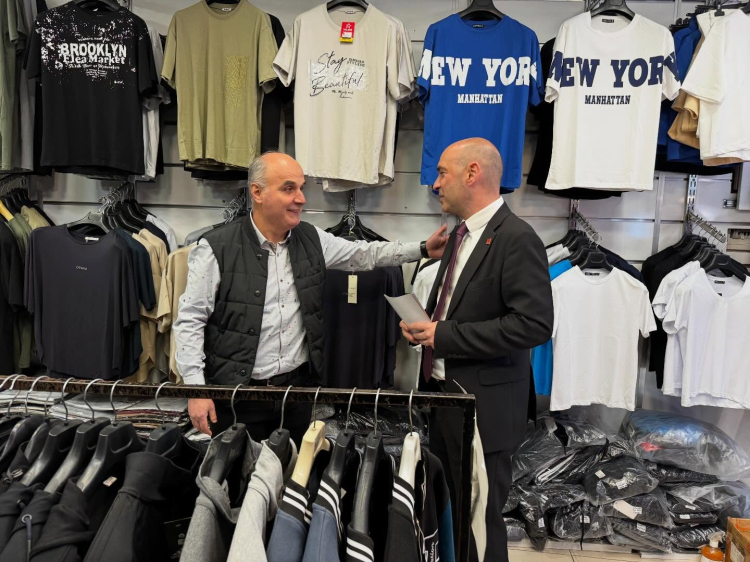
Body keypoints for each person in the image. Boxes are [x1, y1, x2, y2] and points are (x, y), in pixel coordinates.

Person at [174, 151, 449, 444]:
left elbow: (364, 254)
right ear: (257, 192)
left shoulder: (312, 238)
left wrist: (422, 249)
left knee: (293, 467)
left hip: (297, 394)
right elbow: (191, 321)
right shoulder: (215, 247)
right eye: (288, 188)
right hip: (236, 396)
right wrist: (196, 390)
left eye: (301, 188)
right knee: (238, 470)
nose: (301, 198)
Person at [402, 138, 553, 562]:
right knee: (450, 516)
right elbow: (453, 308)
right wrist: (424, 328)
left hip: (484, 409)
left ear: (472, 173)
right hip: (444, 399)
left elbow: (534, 324)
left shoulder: (517, 238)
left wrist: (444, 336)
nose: (435, 184)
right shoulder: (460, 235)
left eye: (442, 173)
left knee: (481, 526)